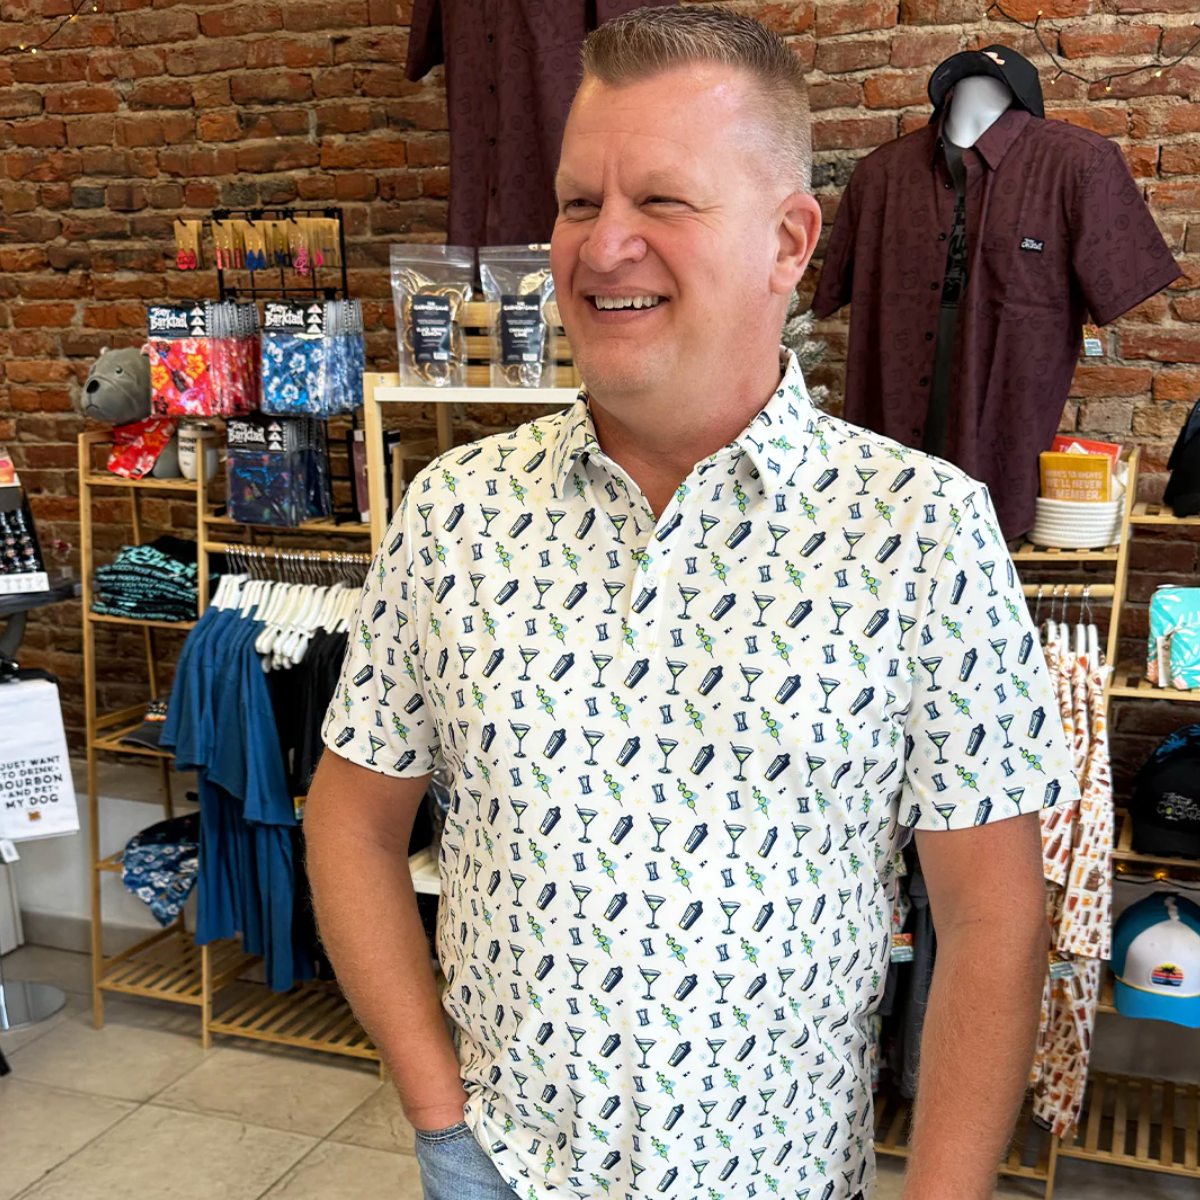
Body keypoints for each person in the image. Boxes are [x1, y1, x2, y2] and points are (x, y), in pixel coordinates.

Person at [305, 8, 1078, 1200]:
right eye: (577, 202)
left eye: (662, 201)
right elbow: (351, 821)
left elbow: (992, 919)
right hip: (506, 1170)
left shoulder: (921, 536)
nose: (604, 246)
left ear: (788, 240)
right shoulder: (454, 515)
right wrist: (440, 1121)